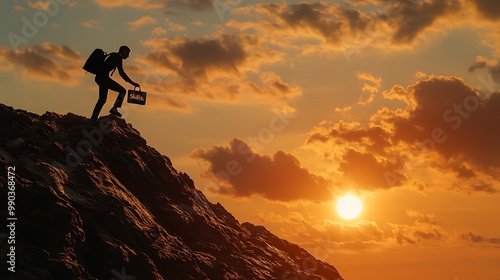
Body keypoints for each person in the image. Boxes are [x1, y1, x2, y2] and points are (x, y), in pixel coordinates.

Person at [90, 45, 140, 120]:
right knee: (122, 91)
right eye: (127, 53)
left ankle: (93, 118)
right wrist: (132, 83)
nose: (128, 56)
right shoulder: (117, 58)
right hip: (103, 78)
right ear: (123, 52)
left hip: (100, 77)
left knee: (102, 99)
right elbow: (121, 73)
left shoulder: (114, 55)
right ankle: (114, 109)